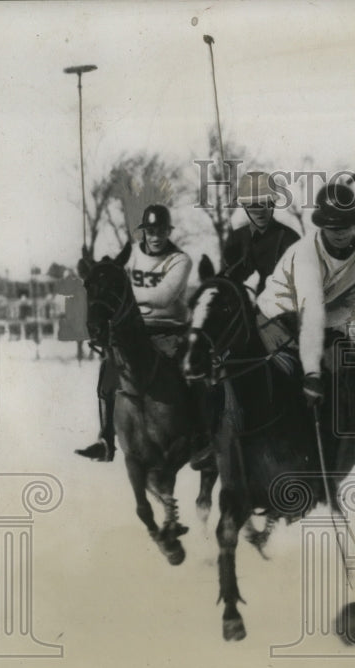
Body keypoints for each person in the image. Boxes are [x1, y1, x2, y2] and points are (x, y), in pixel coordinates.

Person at [75, 204, 209, 462]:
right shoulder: (132, 254)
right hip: (136, 329)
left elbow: (163, 296)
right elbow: (109, 276)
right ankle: (106, 439)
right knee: (108, 371)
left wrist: (121, 292)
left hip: (171, 328)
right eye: (150, 231)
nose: (155, 236)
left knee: (191, 372)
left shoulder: (180, 260)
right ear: (144, 232)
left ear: (168, 232)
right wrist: (92, 269)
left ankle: (202, 435)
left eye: (161, 231)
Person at [254, 183, 355, 412]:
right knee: (293, 380)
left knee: (350, 375)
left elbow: (350, 304)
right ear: (322, 225)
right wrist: (312, 373)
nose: (340, 232)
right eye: (332, 226)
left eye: (346, 225)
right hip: (278, 318)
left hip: (321, 318)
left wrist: (334, 327)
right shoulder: (306, 254)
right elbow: (311, 314)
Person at [221, 171, 300, 292]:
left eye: (265, 204)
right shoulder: (235, 239)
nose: (259, 211)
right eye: (253, 205)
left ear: (273, 204)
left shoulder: (290, 239)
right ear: (244, 206)